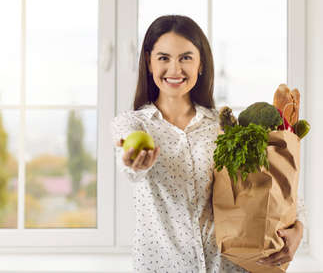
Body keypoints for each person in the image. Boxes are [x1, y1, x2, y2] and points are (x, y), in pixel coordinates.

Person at [110, 15, 307, 272]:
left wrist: (299, 228)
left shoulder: (224, 126)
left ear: (201, 64)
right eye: (163, 58)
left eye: (186, 58)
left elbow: (270, 181)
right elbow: (129, 165)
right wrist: (134, 162)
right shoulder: (133, 125)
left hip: (226, 266)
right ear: (148, 62)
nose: (174, 69)